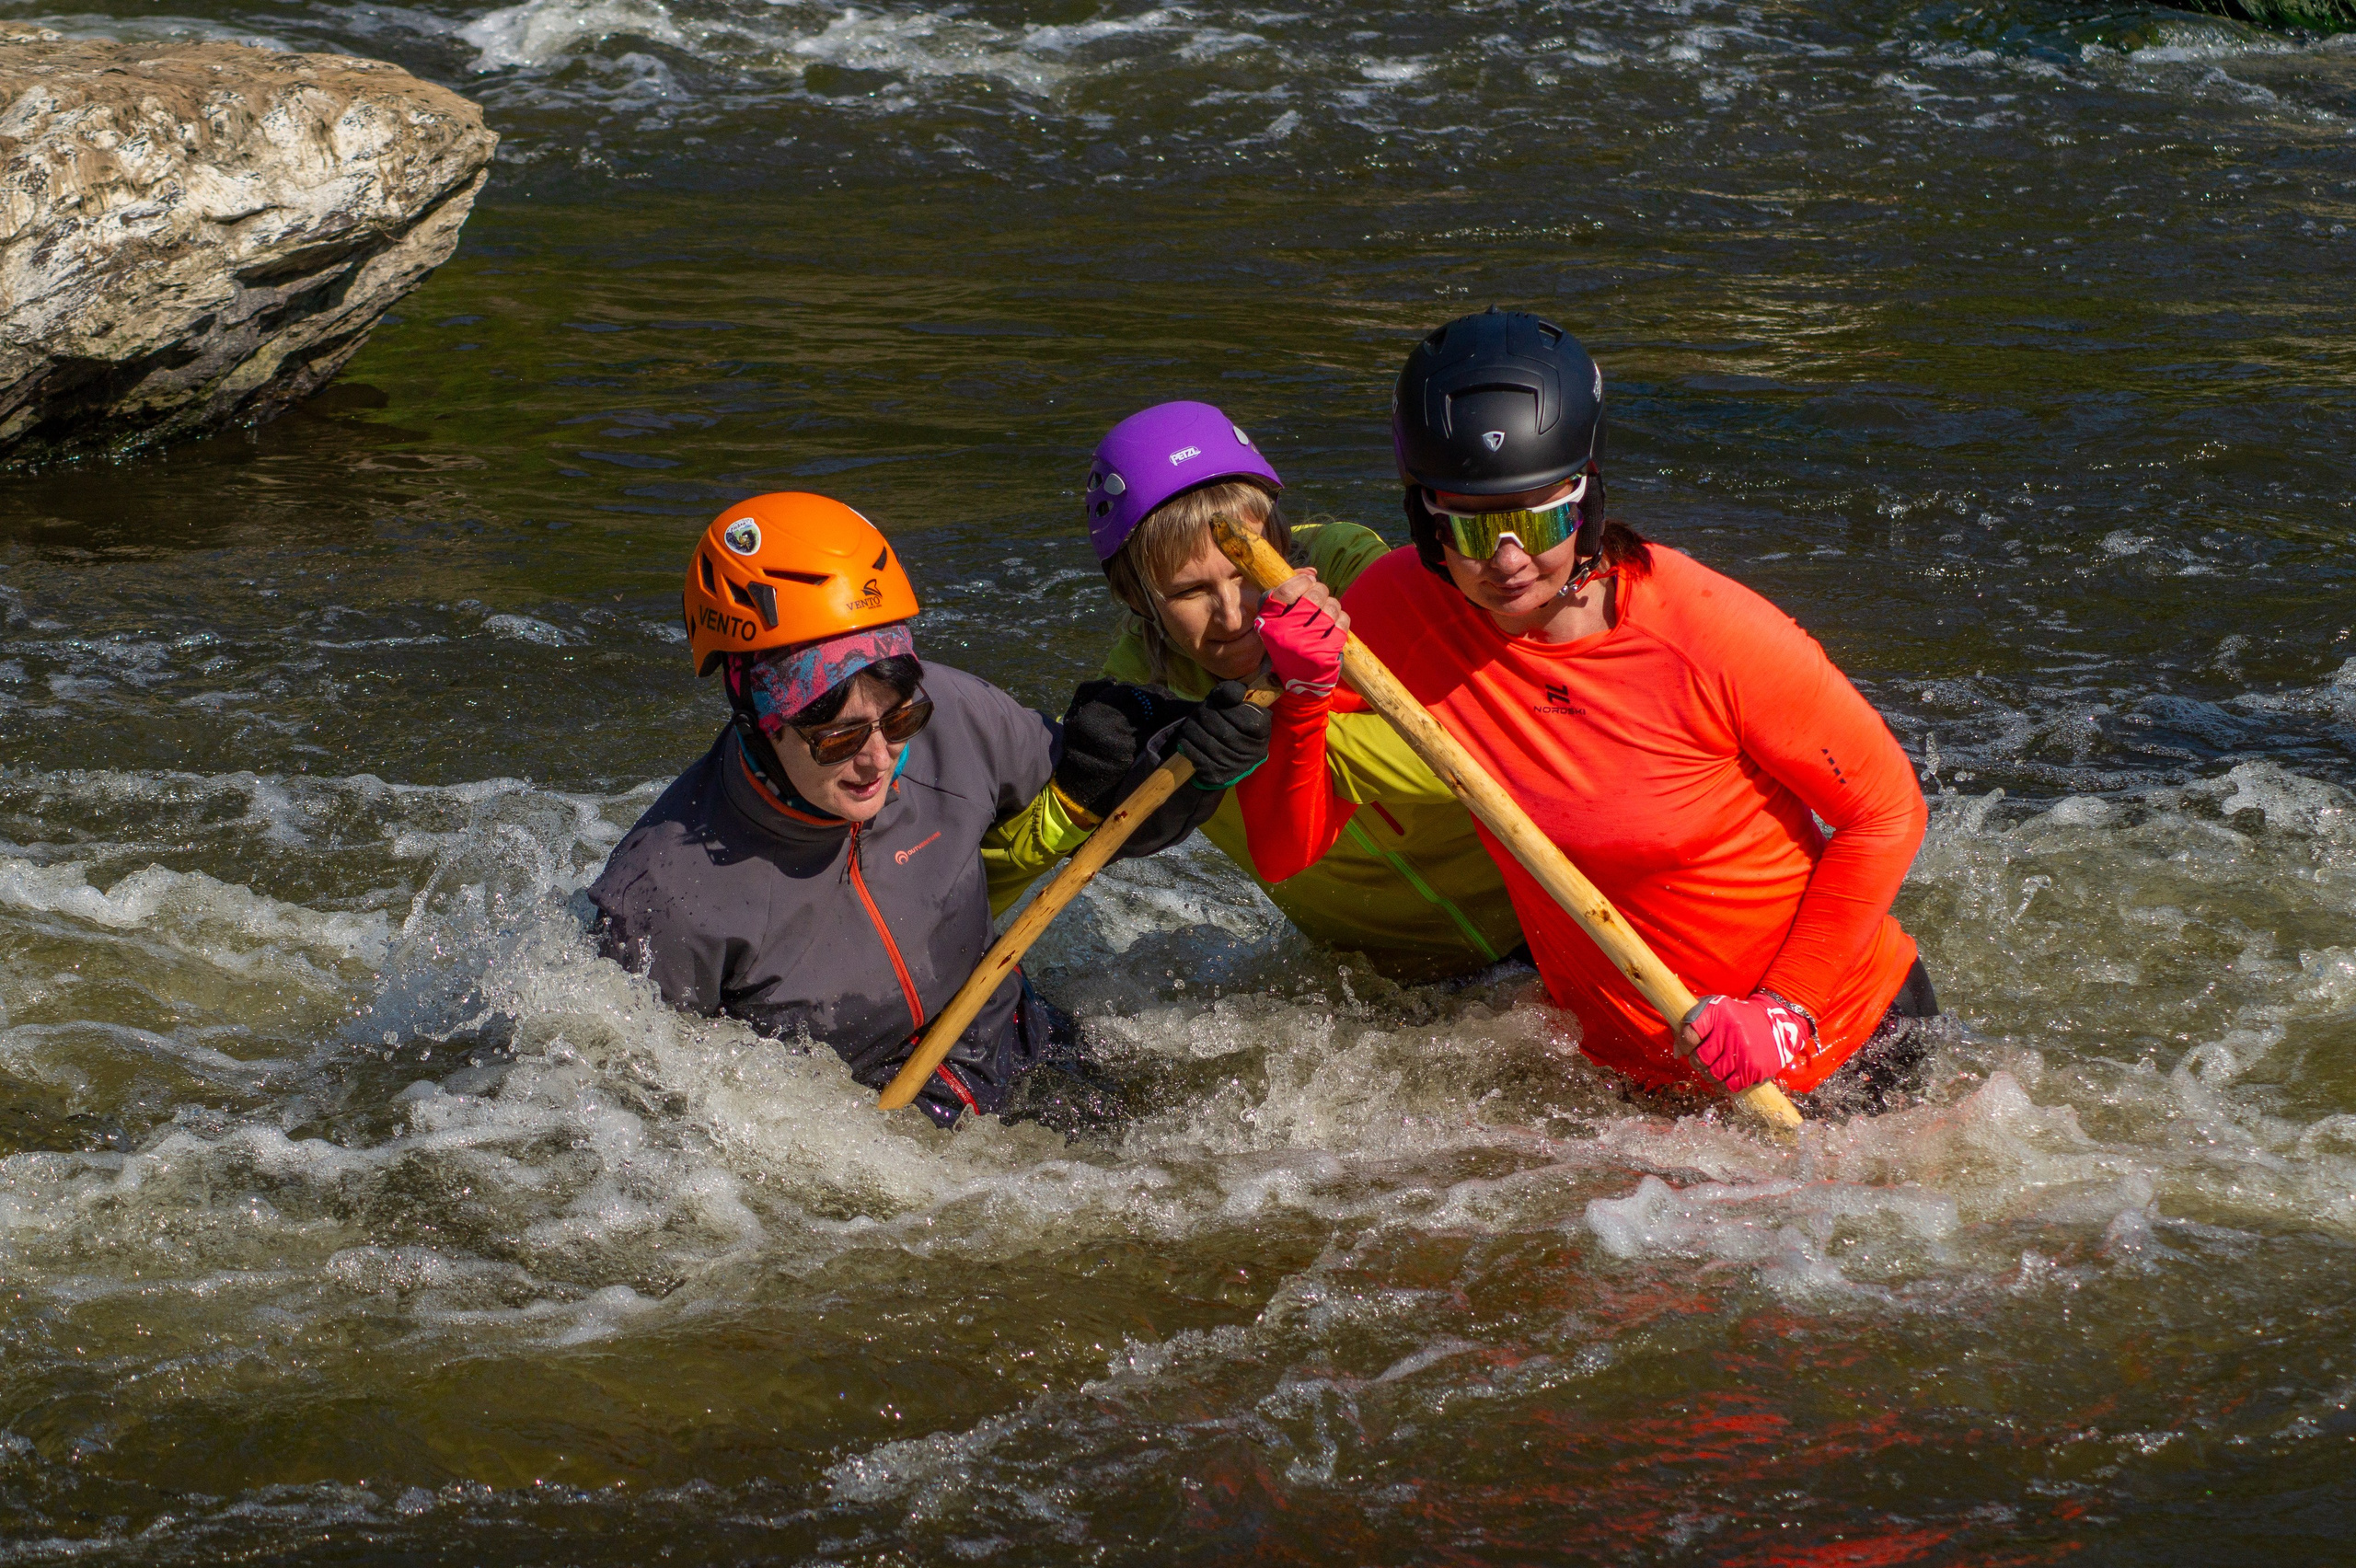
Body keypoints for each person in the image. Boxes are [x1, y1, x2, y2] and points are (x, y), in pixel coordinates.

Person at [1236, 309, 1938, 1111]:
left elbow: (1887, 811)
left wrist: (1786, 1012)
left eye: (1536, 520)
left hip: (1838, 1046)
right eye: (1470, 529)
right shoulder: (1398, 615)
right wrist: (1299, 695)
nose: (1507, 561)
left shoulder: (1707, 632)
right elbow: (1284, 853)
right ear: (1425, 521)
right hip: (1635, 1073)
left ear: (1588, 499)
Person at [588, 491, 1271, 1126]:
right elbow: (648, 1118)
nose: (879, 760)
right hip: (886, 1130)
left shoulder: (957, 717)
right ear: (756, 718)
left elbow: (1111, 814)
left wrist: (1198, 759)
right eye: (838, 738)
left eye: (898, 718)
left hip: (1024, 1042)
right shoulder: (667, 894)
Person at [979, 401, 1523, 982]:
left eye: (1245, 572)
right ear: (1137, 599)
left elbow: (1496, 746)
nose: (1233, 615)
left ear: (1282, 543)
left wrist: (1293, 717)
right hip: (1386, 982)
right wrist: (1099, 792)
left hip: (1541, 927)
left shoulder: (1355, 571)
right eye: (1189, 592)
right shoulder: (1137, 693)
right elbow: (998, 883)